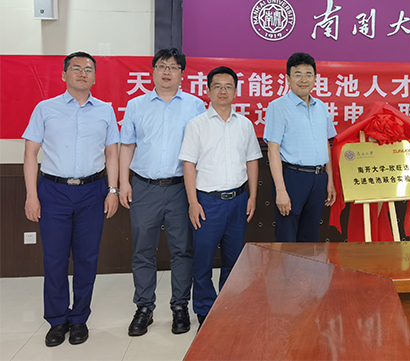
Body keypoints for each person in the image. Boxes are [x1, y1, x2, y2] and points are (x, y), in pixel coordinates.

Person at [22, 51, 120, 347]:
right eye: (76, 68)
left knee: (87, 258)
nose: (82, 73)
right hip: (53, 191)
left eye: (88, 69)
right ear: (64, 75)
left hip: (92, 191)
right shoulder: (45, 109)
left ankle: (79, 318)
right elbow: (30, 154)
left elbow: (112, 153)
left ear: (94, 77)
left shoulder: (105, 110)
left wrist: (112, 190)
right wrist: (31, 195)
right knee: (54, 259)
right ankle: (56, 320)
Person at [119, 48, 205, 336]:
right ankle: (144, 307)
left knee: (183, 250)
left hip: (181, 189)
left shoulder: (195, 106)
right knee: (143, 250)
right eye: (162, 66)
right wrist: (124, 183)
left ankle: (180, 306)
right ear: (153, 71)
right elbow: (127, 145)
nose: (167, 71)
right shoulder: (136, 105)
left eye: (173, 67)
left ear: (182, 73)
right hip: (144, 187)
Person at [178, 66, 261, 326]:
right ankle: (204, 309)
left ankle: (228, 305)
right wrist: (193, 202)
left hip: (238, 201)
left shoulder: (245, 124)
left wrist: (252, 197)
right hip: (207, 202)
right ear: (208, 90)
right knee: (203, 260)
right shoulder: (196, 125)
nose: (223, 91)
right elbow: (188, 164)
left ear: (236, 91)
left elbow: (252, 160)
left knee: (233, 260)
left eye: (228, 87)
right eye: (217, 86)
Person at [264, 52, 337, 242]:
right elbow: (273, 150)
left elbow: (326, 144)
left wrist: (330, 180)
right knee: (287, 238)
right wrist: (281, 190)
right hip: (293, 178)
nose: (303, 80)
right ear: (288, 79)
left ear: (315, 78)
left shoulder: (321, 107)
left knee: (310, 239)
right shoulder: (278, 107)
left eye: (308, 74)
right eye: (297, 74)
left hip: (319, 179)